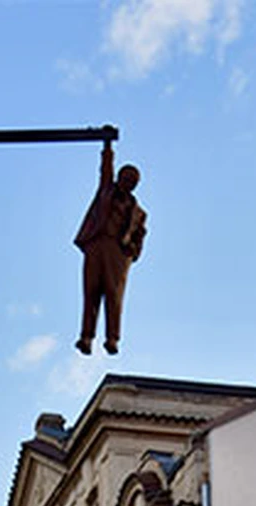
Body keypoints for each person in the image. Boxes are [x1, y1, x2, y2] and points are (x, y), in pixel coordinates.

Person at [74, 141, 146, 355]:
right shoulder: (106, 191)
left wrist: (131, 251)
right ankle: (86, 337)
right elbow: (105, 168)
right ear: (119, 178)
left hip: (118, 252)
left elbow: (140, 236)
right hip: (97, 244)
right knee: (91, 291)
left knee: (114, 295)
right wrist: (107, 145)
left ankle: (112, 338)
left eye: (132, 181)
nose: (128, 183)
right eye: (126, 178)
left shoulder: (139, 213)